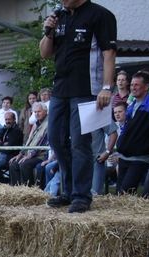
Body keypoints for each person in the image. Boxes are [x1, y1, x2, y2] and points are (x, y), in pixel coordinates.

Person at [41, 0, 117, 213]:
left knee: (79, 143)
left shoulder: (100, 15)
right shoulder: (60, 16)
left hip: (86, 88)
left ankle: (81, 195)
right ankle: (68, 190)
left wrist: (106, 87)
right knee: (55, 139)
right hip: (60, 88)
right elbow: (45, 53)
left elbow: (109, 53)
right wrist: (48, 32)